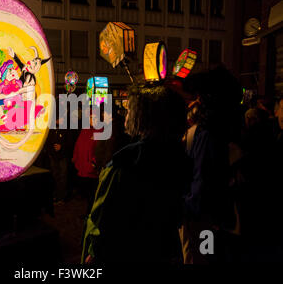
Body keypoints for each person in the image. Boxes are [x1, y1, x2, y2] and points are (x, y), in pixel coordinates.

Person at [82, 85, 190, 266]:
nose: (126, 112)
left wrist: (94, 254)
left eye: (129, 108)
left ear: (144, 116)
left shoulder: (126, 162)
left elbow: (104, 219)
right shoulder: (178, 154)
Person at [180, 66, 242, 264]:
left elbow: (201, 180)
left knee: (199, 258)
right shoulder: (226, 130)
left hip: (202, 218)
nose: (195, 101)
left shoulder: (206, 135)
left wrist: (186, 208)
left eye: (200, 96)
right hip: (216, 217)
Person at [72, 105, 102, 213]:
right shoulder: (85, 130)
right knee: (86, 194)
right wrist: (75, 158)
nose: (91, 120)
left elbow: (100, 151)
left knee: (93, 194)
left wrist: (93, 164)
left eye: (94, 117)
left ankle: (92, 213)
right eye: (90, 117)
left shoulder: (101, 131)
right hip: (82, 169)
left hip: (92, 171)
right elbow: (78, 145)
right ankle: (88, 211)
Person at [46, 116, 73, 202]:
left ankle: (62, 196)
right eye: (58, 118)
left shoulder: (66, 129)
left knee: (63, 176)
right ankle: (56, 194)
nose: (59, 120)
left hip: (63, 157)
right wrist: (50, 153)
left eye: (61, 118)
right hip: (53, 157)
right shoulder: (51, 129)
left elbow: (70, 143)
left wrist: (61, 147)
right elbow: (48, 141)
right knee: (55, 176)